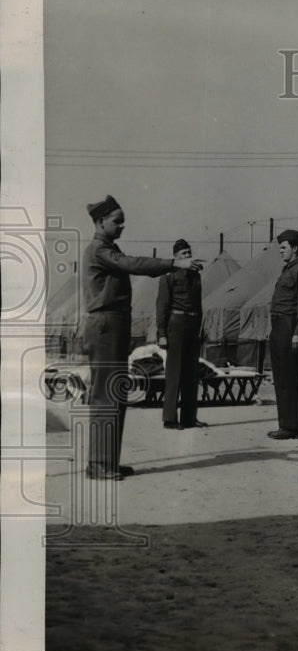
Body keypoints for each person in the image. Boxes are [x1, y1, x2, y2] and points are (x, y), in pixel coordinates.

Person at [81, 195, 202, 480]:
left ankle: (107, 462)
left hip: (115, 324)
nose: (122, 225)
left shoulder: (108, 248)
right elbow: (133, 264)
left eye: (123, 220)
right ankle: (99, 464)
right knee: (106, 395)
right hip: (106, 324)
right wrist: (175, 264)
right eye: (116, 221)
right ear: (99, 222)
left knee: (115, 395)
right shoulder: (100, 249)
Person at [267, 229, 298, 441]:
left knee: (290, 378)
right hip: (277, 327)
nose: (281, 252)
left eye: (283, 248)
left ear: (295, 248)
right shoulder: (286, 270)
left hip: (289, 327)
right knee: (280, 378)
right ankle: (284, 424)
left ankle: (293, 426)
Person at [156, 238, 204, 430]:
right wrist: (162, 333)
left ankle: (189, 418)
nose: (188, 256)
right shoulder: (168, 275)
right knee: (174, 372)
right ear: (175, 257)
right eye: (184, 254)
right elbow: (162, 305)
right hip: (176, 324)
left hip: (193, 325)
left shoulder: (196, 275)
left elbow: (199, 303)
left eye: (189, 253)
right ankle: (169, 419)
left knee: (192, 373)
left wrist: (200, 327)